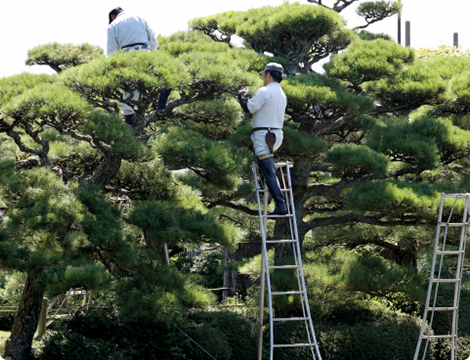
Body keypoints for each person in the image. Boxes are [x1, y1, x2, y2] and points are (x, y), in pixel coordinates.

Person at [238, 63, 287, 215]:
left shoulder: (264, 91)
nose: (263, 78)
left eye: (263, 75)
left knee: (268, 170)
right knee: (268, 168)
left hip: (264, 135)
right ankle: (278, 202)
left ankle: (280, 204)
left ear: (269, 75)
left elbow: (249, 108)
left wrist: (242, 95)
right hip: (276, 134)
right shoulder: (281, 93)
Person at [107, 7, 170, 126]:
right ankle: (161, 107)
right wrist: (148, 54)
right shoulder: (139, 18)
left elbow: (112, 54)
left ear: (112, 16)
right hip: (144, 54)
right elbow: (154, 43)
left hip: (127, 58)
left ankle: (131, 128)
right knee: (165, 79)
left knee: (128, 95)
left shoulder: (112, 26)